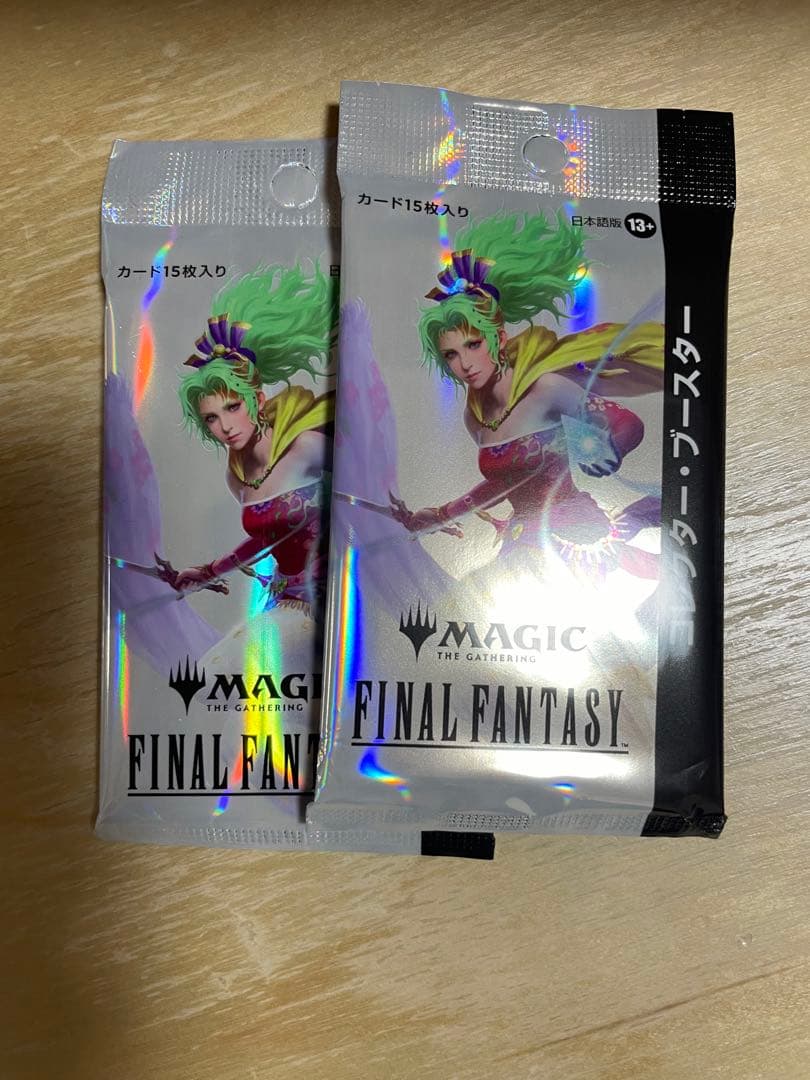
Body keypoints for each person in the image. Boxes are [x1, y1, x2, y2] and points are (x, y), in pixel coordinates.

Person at [388, 211, 664, 580]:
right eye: (451, 354)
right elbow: (502, 484)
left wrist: (610, 451)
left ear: (498, 338)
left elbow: (626, 423)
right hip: (525, 535)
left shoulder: (546, 388)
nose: (464, 364)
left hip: (572, 534)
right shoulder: (476, 417)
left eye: (473, 345)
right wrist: (439, 515)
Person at [170, 263, 336, 616]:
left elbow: (361, 492)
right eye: (211, 418)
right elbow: (267, 539)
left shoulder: (306, 447)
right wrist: (208, 572)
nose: (225, 426)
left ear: (257, 400)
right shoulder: (237, 477)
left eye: (233, 407)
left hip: (333, 592)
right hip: (285, 593)